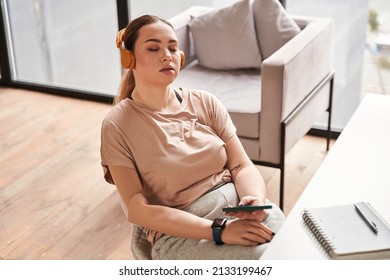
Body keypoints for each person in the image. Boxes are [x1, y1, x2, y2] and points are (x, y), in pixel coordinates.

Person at [100, 14, 285, 260]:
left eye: (173, 48)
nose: (167, 55)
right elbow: (137, 210)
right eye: (153, 48)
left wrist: (254, 199)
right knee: (266, 260)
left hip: (235, 208)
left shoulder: (205, 102)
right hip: (182, 232)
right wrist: (220, 230)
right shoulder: (118, 125)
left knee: (294, 249)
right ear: (129, 58)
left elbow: (241, 166)